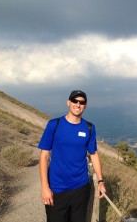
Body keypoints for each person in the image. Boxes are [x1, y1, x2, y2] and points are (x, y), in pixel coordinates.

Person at [38, 90, 106, 222]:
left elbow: (94, 154)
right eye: (75, 101)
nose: (78, 104)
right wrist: (45, 188)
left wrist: (101, 181)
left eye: (82, 102)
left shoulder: (89, 128)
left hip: (80, 188)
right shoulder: (54, 124)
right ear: (68, 102)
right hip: (56, 188)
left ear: (85, 105)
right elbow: (44, 156)